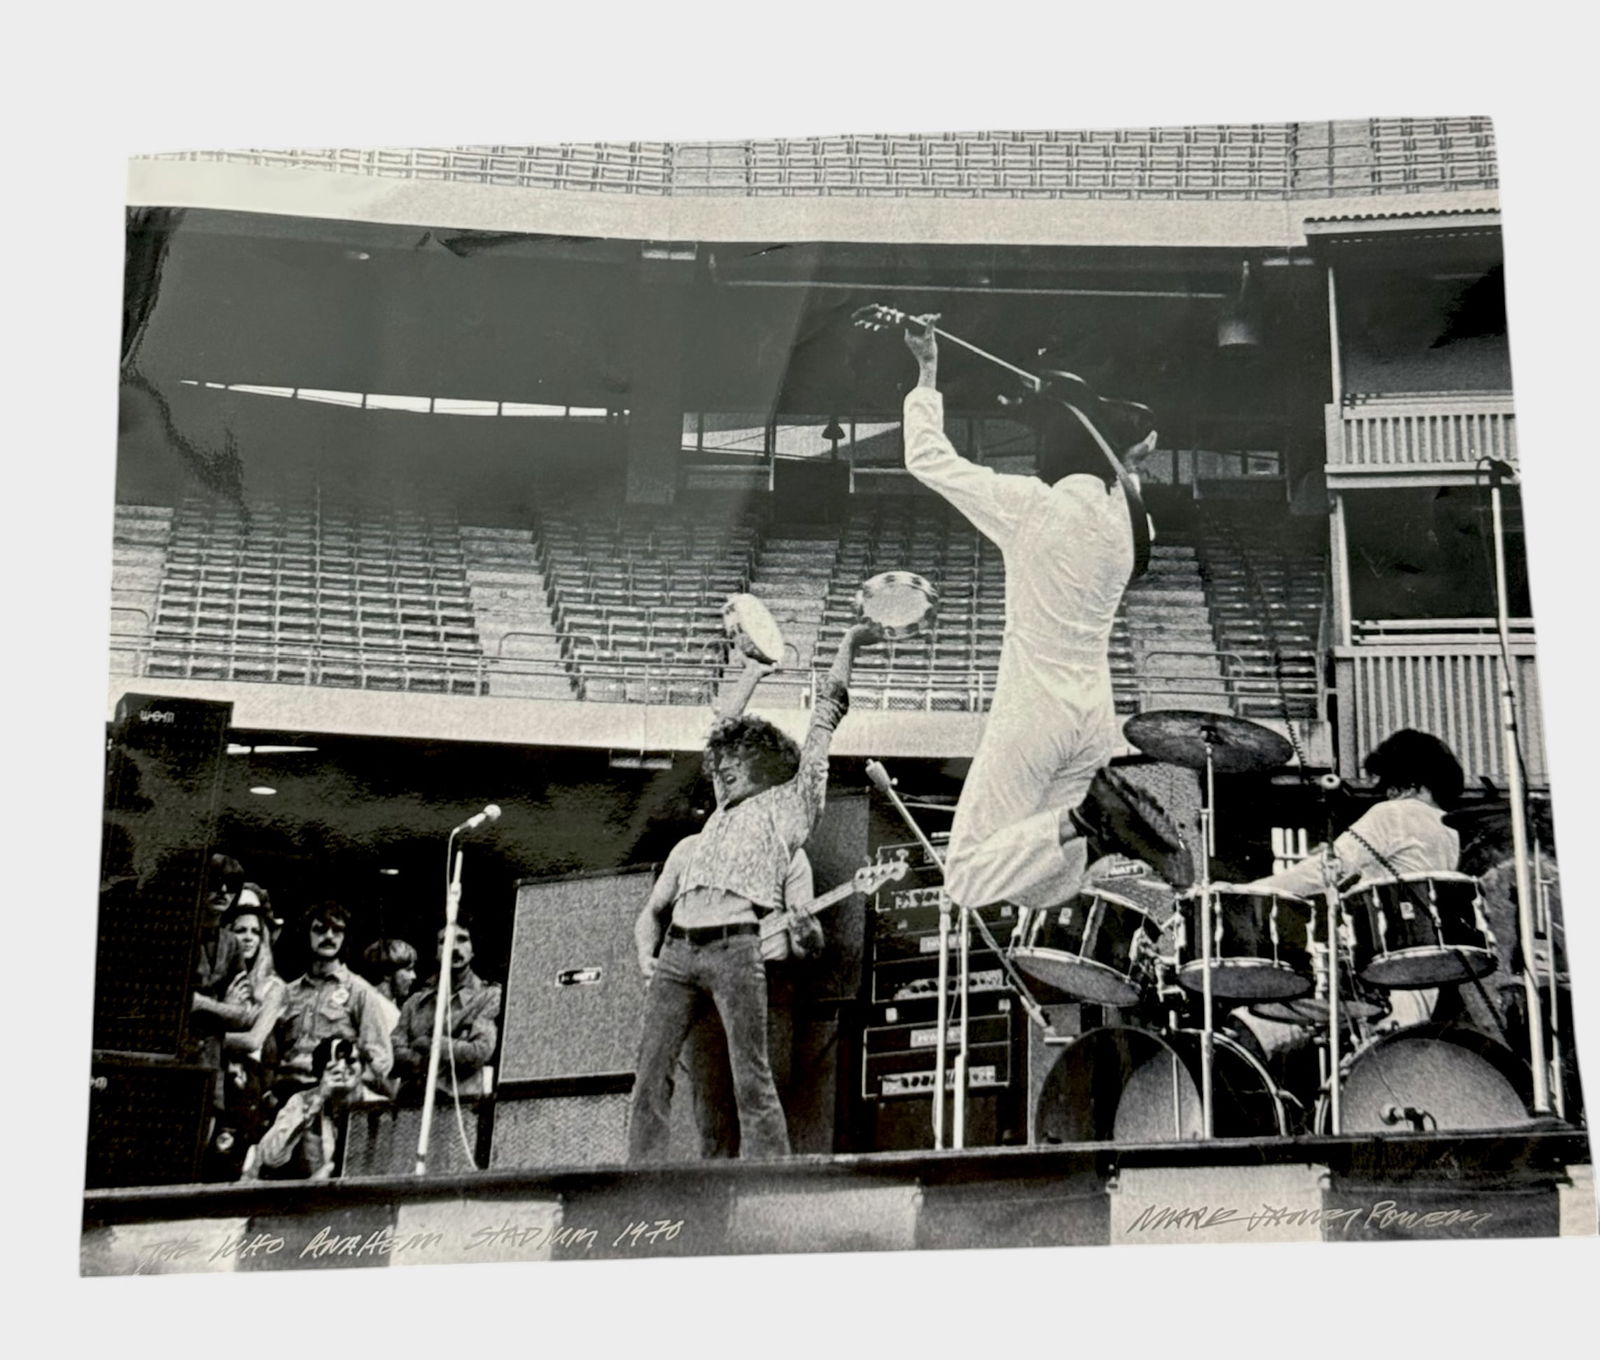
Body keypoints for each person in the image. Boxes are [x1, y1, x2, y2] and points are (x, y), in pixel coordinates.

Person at [898, 317, 1190, 914]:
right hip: (1094, 714)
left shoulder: (1035, 505)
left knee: (967, 876)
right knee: (1046, 885)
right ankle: (1089, 818)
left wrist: (928, 371)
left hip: (1036, 707)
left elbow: (927, 457)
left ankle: (1090, 814)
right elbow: (1125, 473)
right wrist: (1125, 447)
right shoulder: (1132, 527)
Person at [626, 622, 880, 1162]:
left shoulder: (792, 803)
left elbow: (826, 714)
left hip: (735, 948)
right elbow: (720, 726)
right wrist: (752, 670)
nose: (723, 770)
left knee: (752, 1078)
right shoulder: (723, 806)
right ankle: (640, 1175)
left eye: (736, 764)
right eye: (724, 765)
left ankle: (771, 1178)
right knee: (650, 1073)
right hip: (678, 947)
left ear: (762, 767)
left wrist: (847, 645)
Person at [1236, 729, 1466, 1057]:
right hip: (1420, 980)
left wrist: (1245, 892)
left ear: (1408, 779)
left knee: (1250, 1028)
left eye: (1389, 783)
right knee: (1377, 1072)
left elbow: (1326, 869)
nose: (1387, 793)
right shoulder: (1448, 830)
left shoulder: (1394, 814)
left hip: (1375, 973)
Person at [681, 848, 814, 1158]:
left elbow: (802, 947)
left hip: (766, 984)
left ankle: (764, 1203)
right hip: (706, 993)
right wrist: (648, 954)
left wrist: (808, 934)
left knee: (763, 1114)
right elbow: (654, 915)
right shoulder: (693, 851)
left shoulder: (790, 857)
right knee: (711, 1122)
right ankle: (716, 1203)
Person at [274, 902, 393, 1099]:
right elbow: (269, 1056)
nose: (329, 936)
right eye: (320, 930)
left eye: (337, 931)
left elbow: (379, 1059)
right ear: (307, 935)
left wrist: (348, 1085)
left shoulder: (360, 992)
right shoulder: (287, 993)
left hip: (335, 1097)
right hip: (287, 1096)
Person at [391, 923, 502, 1098]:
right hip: (413, 1105)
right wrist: (453, 1048)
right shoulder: (414, 1003)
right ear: (436, 952)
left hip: (462, 1106)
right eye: (445, 941)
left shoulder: (489, 996)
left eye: (462, 939)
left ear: (473, 949)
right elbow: (394, 1053)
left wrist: (428, 1044)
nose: (454, 948)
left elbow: (480, 1051)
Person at [253, 1037, 363, 1181]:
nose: (342, 1068)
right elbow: (269, 1157)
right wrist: (317, 1101)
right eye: (332, 1065)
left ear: (363, 1066)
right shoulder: (302, 1101)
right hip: (315, 1195)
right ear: (320, 1072)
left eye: (351, 1060)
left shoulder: (380, 1106)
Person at [359, 937, 420, 1040]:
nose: (414, 976)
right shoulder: (376, 1007)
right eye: (408, 970)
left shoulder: (390, 1005)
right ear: (388, 973)